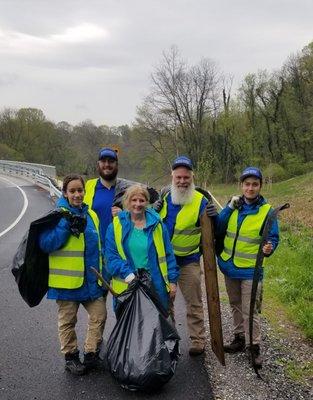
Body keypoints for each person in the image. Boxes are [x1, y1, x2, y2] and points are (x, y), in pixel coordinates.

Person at [38, 174, 107, 375]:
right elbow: (45, 244)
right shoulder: (57, 215)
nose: (77, 194)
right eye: (73, 191)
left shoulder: (92, 215)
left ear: (85, 192)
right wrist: (66, 227)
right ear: (65, 193)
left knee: (99, 315)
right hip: (66, 283)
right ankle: (71, 357)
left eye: (80, 190)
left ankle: (91, 354)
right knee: (68, 322)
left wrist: (102, 275)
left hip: (90, 280)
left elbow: (98, 248)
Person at [216, 166, 279, 368]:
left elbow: (273, 237)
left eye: (254, 184)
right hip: (229, 267)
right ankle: (239, 338)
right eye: (247, 184)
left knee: (250, 310)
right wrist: (228, 207)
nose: (250, 188)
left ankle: (253, 348)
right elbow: (218, 226)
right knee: (234, 304)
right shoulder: (233, 206)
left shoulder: (267, 212)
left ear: (260, 186)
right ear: (241, 186)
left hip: (251, 270)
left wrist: (270, 247)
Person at [155, 156, 218, 356]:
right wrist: (152, 211)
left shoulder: (201, 201)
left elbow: (215, 232)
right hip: (165, 262)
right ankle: (168, 339)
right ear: (172, 177)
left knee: (194, 302)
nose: (182, 181)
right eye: (178, 177)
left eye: (186, 177)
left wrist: (216, 217)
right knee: (165, 302)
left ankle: (198, 340)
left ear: (192, 177)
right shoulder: (165, 198)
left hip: (188, 260)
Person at [105, 184, 179, 312]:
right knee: (130, 330)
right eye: (134, 200)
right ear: (127, 202)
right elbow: (111, 258)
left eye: (141, 200)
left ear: (147, 202)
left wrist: (172, 281)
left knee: (158, 329)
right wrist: (130, 276)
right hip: (127, 291)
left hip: (156, 289)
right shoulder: (115, 226)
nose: (137, 204)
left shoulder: (158, 225)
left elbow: (168, 255)